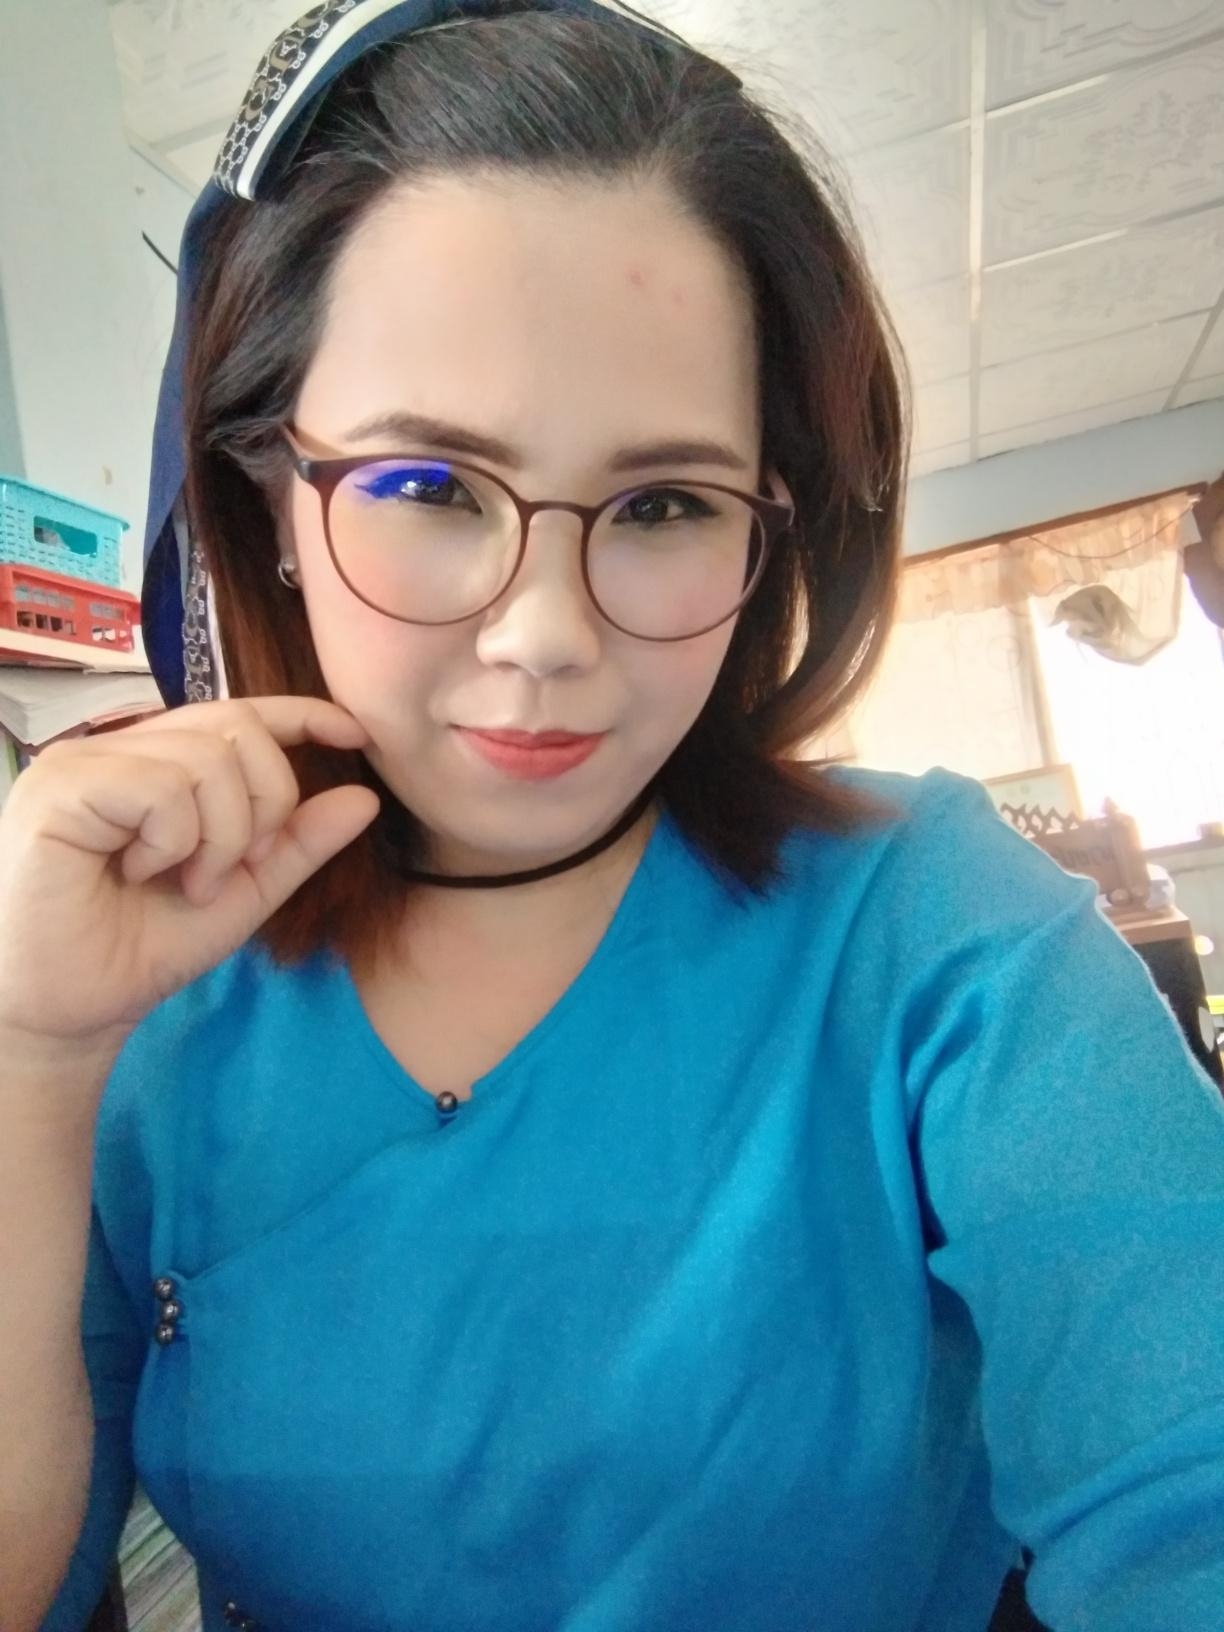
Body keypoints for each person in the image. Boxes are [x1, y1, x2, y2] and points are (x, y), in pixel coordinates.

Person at [2, 3, 1222, 1629]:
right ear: (267, 500)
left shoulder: (942, 933)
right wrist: (30, 1064)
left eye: (660, 505)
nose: (546, 634)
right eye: (431, 489)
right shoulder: (139, 1001)